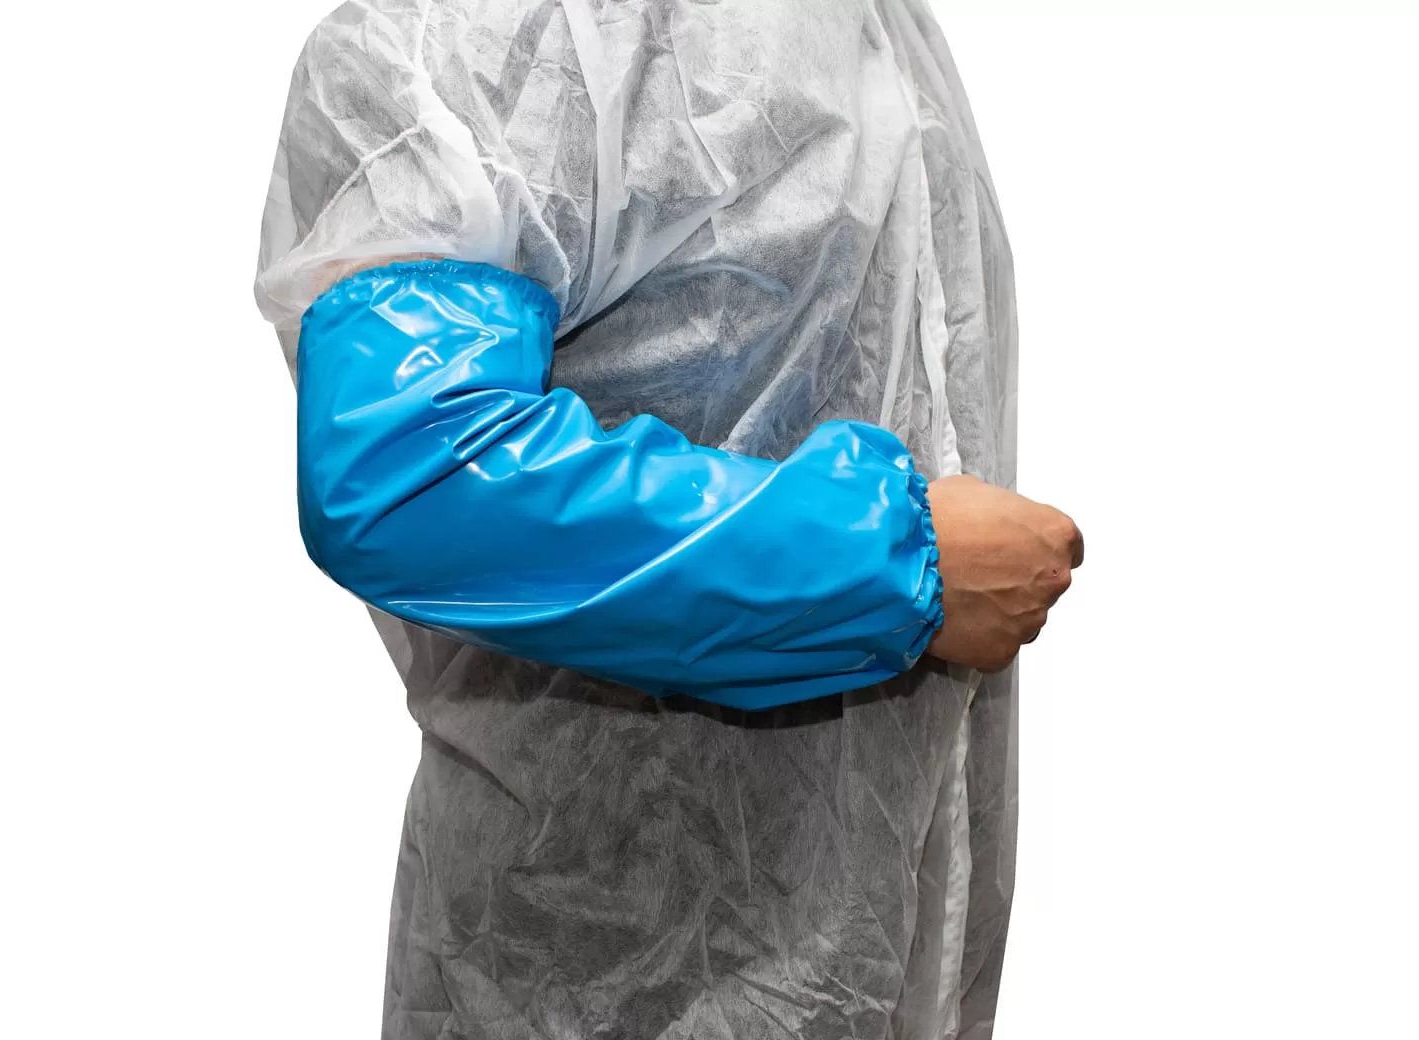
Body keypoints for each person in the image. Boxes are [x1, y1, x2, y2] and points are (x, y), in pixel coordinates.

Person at [255, 2, 1081, 1036]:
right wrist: (893, 562)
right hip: (607, 966)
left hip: (867, 950)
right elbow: (407, 467)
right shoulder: (524, 30)